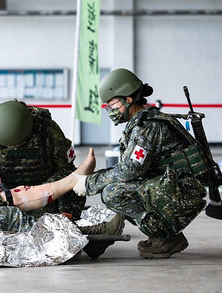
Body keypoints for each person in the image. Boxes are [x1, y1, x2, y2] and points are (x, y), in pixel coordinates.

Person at [72, 68, 210, 259]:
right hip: (174, 186)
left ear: (128, 99)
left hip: (183, 191)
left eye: (112, 104)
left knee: (113, 193)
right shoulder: (141, 123)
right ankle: (167, 234)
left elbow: (130, 170)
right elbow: (130, 168)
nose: (110, 110)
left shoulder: (147, 127)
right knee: (115, 187)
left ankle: (168, 237)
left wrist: (90, 183)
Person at [0, 100, 86, 221]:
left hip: (46, 193)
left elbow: (66, 169)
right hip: (7, 195)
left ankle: (66, 222)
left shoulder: (47, 129)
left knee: (74, 186)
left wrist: (41, 192)